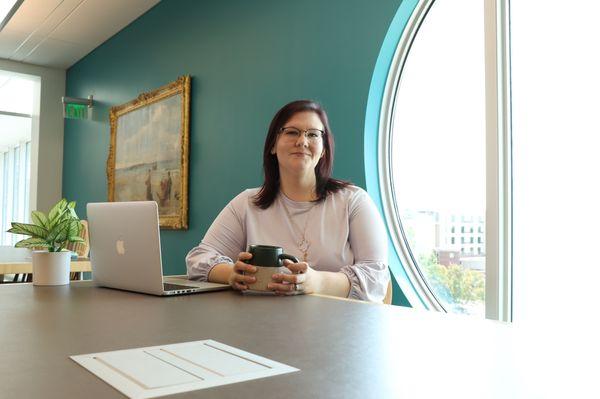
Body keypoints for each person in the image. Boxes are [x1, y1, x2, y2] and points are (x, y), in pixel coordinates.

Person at [186, 100, 389, 302]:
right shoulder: (247, 203)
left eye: (313, 134)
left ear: (324, 149)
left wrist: (317, 282)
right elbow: (199, 258)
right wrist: (231, 273)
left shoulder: (354, 201)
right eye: (292, 132)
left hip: (339, 328)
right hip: (261, 324)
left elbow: (377, 278)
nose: (302, 141)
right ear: (273, 145)